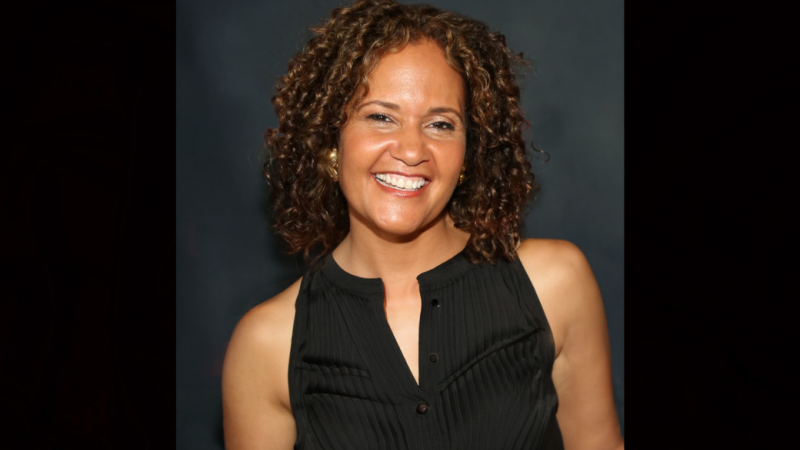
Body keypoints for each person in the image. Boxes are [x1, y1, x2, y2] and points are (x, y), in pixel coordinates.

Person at [222, 1, 623, 449]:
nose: (412, 150)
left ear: (468, 155)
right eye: (380, 117)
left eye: (440, 124)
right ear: (329, 142)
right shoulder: (267, 344)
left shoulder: (555, 284)